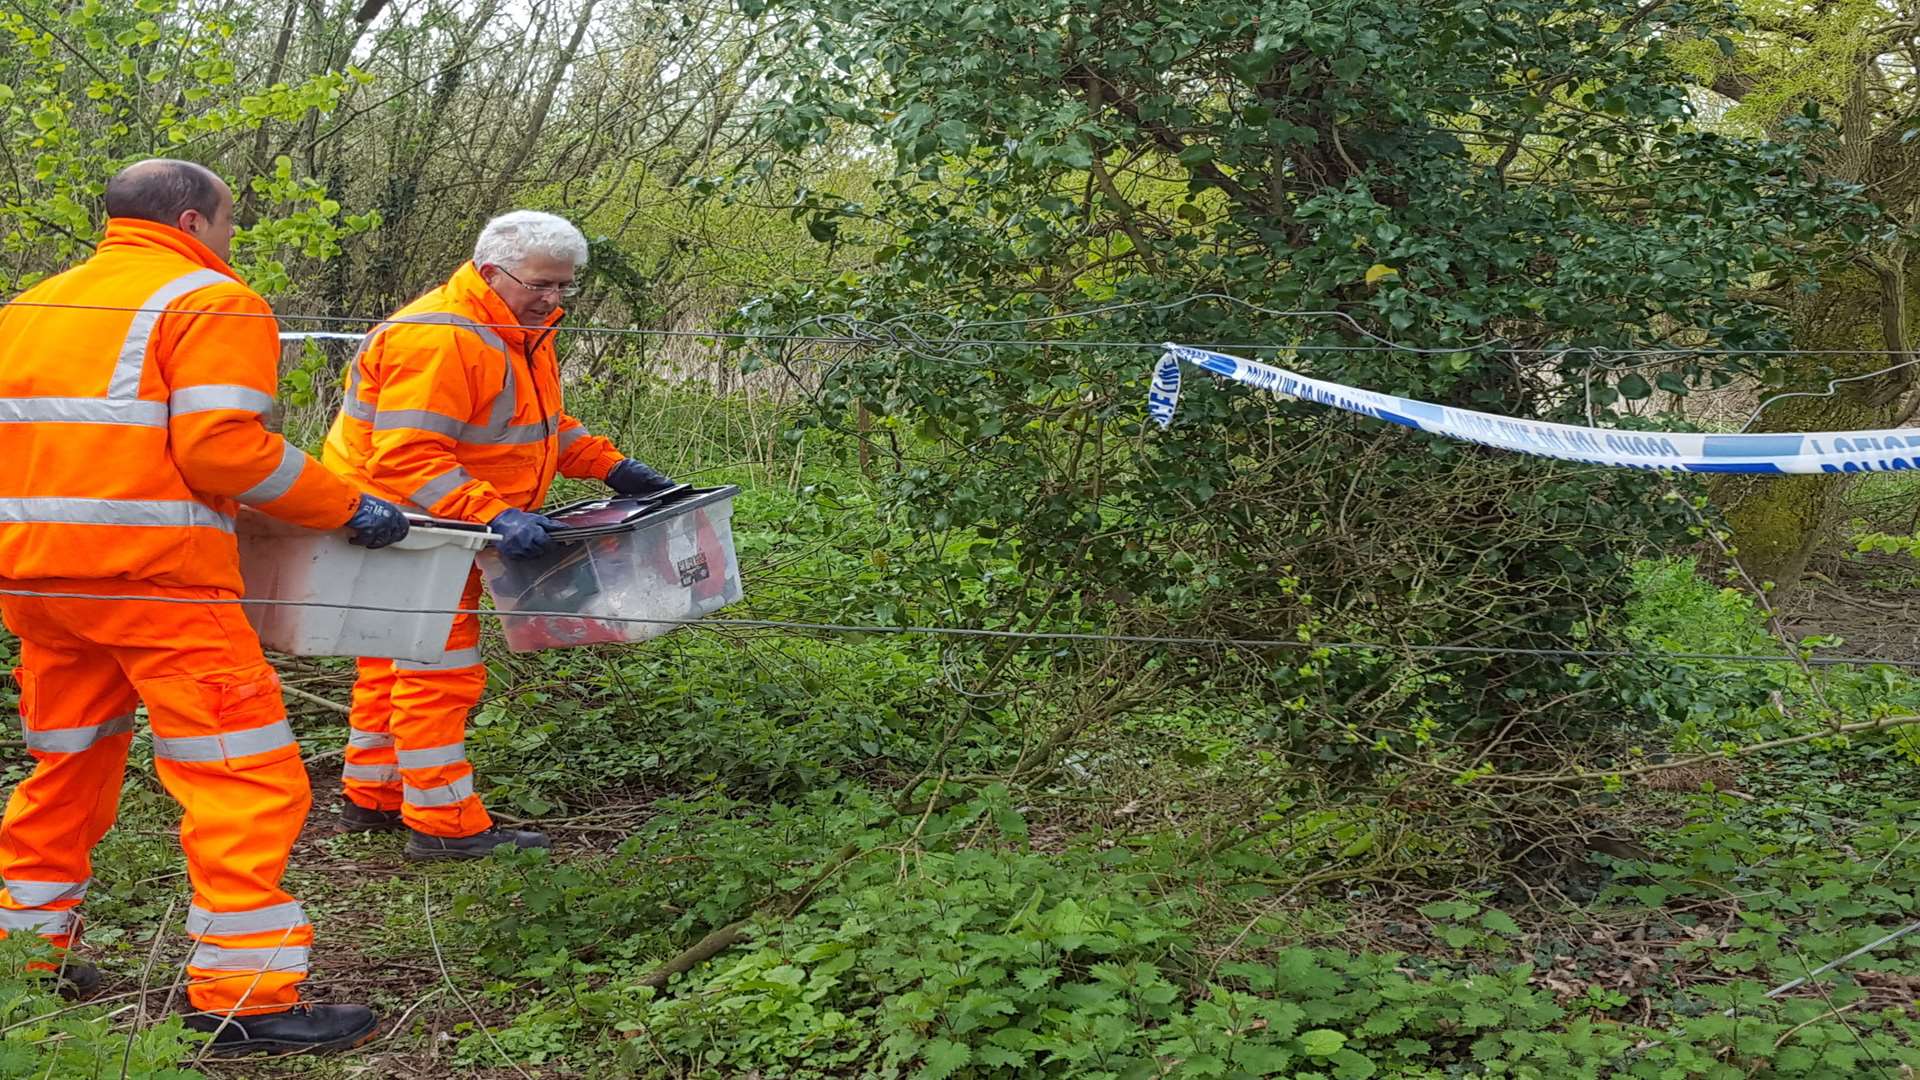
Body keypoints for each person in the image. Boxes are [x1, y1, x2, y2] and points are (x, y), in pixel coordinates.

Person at [0, 159, 411, 1054]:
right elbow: (227, 452)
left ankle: (21, 958)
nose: (233, 238)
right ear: (193, 219)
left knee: (63, 771)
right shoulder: (211, 300)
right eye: (230, 221)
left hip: (37, 584)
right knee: (244, 780)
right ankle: (244, 1000)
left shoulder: (33, 307)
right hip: (159, 586)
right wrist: (347, 505)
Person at [322, 210, 673, 859]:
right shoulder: (441, 338)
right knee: (436, 667)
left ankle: (376, 795)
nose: (554, 299)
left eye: (565, 286)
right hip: (408, 525)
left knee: (392, 658)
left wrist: (612, 466)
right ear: (491, 273)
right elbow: (406, 457)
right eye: (542, 284)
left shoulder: (515, 330)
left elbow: (539, 427)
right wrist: (496, 514)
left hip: (436, 522)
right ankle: (443, 824)